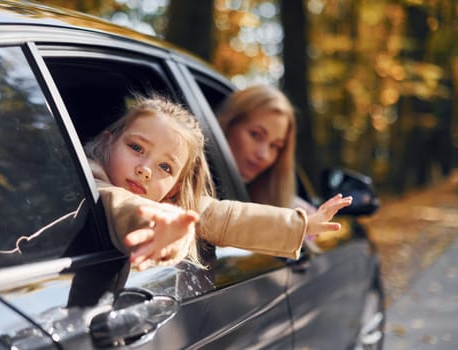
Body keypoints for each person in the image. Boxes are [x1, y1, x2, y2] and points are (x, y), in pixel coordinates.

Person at [84, 94, 352, 271]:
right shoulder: (91, 181)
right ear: (108, 141)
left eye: (165, 167)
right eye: (136, 147)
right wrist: (158, 226)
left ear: (176, 187)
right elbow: (121, 206)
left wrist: (302, 223)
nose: (145, 170)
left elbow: (225, 216)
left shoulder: (177, 205)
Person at [217, 85, 316, 213]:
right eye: (255, 135)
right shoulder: (190, 188)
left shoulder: (295, 213)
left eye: (275, 146)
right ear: (227, 125)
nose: (264, 155)